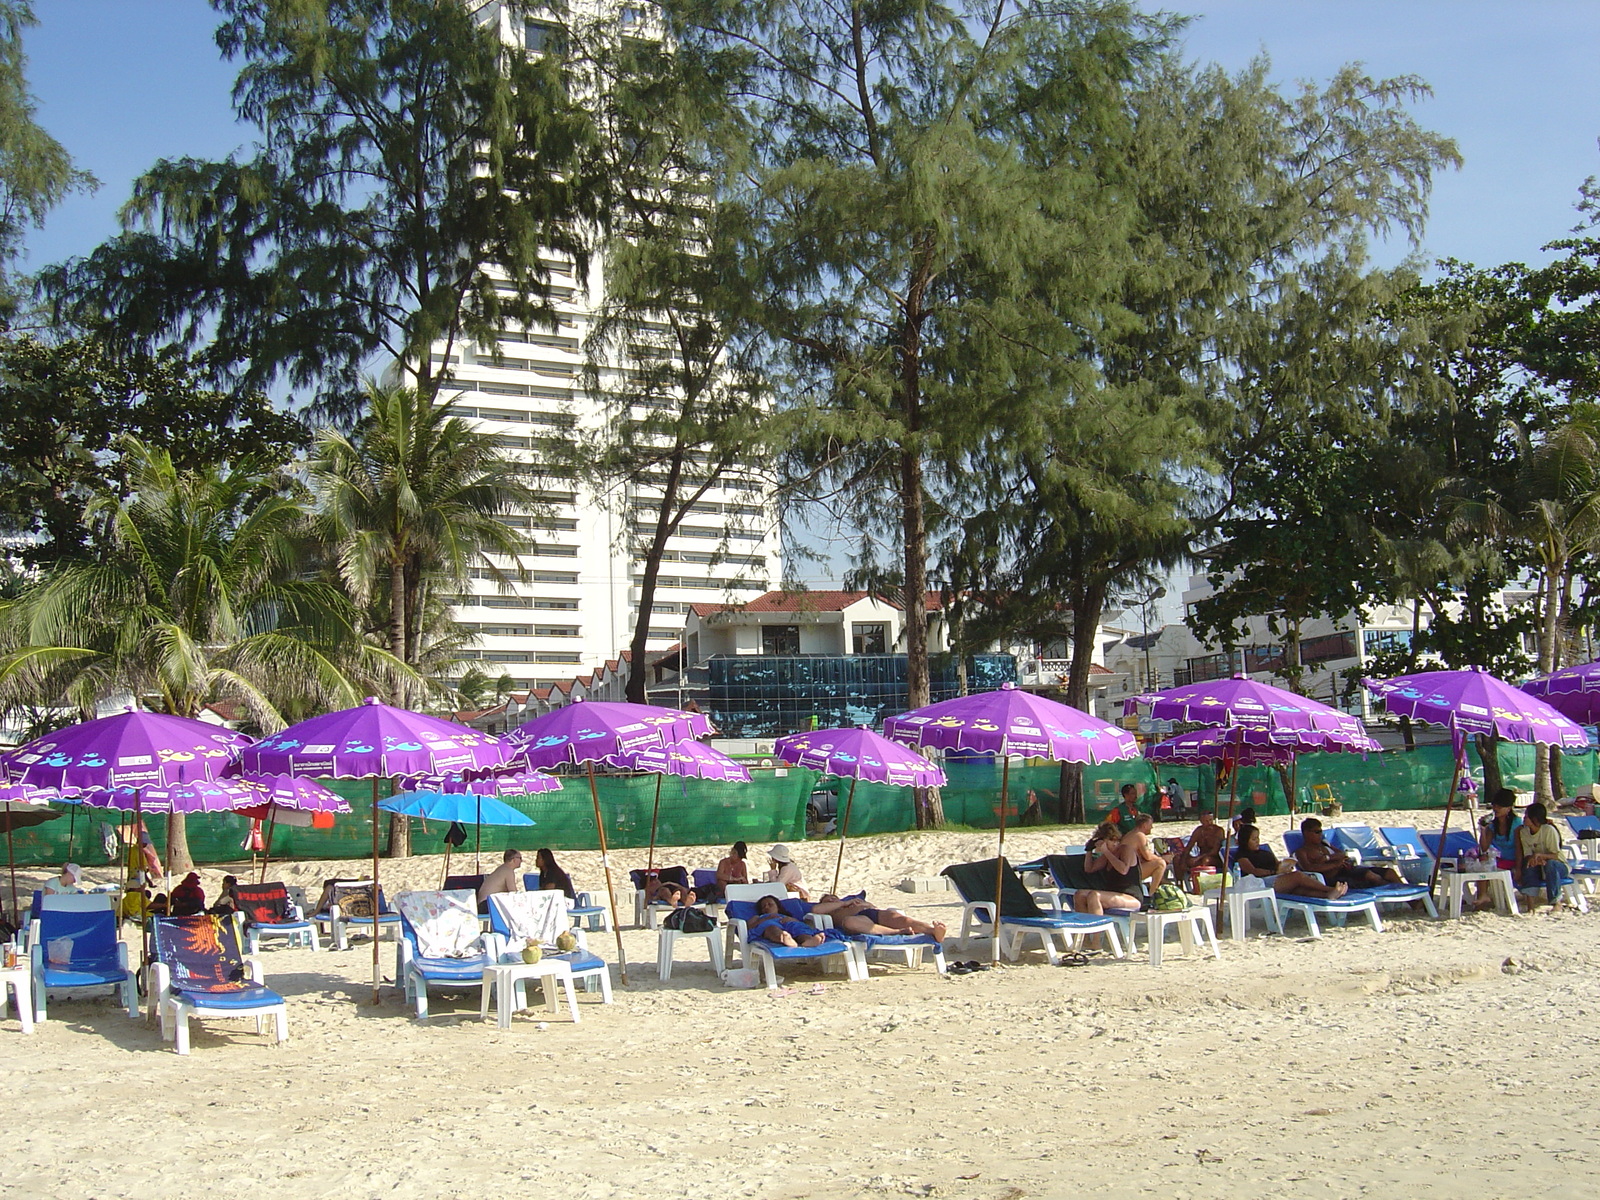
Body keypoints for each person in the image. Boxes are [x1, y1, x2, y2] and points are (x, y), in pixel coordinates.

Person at [1234, 824, 1347, 899]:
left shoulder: (1264, 851)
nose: (1257, 841)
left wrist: (1285, 866)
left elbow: (1277, 864)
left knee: (1299, 890)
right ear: (1245, 840)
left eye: (1258, 838)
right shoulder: (1242, 855)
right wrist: (1274, 872)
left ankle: (1327, 895)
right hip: (1260, 883)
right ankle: (1330, 889)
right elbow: (1253, 871)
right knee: (1298, 876)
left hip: (1276, 878)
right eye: (1254, 839)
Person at [1294, 818, 1403, 888]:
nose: (1320, 834)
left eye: (1321, 831)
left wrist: (1327, 858)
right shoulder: (1301, 851)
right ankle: (1394, 893)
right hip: (1335, 878)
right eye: (1317, 832)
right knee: (1371, 876)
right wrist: (1335, 864)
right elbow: (1310, 869)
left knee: (1390, 872)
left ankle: (1411, 900)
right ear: (1306, 833)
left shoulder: (1325, 844)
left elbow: (1343, 854)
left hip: (1348, 870)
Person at [1072, 822, 1144, 918]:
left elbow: (1123, 870)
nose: (1115, 843)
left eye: (1117, 840)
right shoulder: (1107, 856)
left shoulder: (1125, 849)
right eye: (1111, 840)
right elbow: (1089, 869)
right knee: (1079, 895)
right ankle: (1085, 930)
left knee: (1094, 895)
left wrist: (1106, 851)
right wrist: (1089, 850)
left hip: (1131, 897)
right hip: (1113, 893)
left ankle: (1096, 931)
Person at [811, 894, 947, 941]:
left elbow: (874, 907)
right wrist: (843, 903)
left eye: (835, 897)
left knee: (902, 919)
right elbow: (816, 909)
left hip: (873, 913)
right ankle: (897, 932)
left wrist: (865, 904)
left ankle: (933, 931)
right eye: (829, 900)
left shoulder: (853, 902)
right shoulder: (829, 911)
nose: (833, 900)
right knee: (850, 922)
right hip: (857, 920)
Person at [1516, 802, 1574, 908]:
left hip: (1558, 866)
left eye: (1527, 816)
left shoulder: (1548, 830)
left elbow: (1556, 855)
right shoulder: (1524, 832)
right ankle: (1530, 904)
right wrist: (1535, 859)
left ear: (1535, 818)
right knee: (1529, 864)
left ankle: (1555, 902)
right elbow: (1527, 853)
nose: (1524, 818)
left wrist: (1541, 856)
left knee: (1551, 864)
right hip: (1539, 864)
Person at [1171, 809, 1226, 889]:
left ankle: (1200, 885)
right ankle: (1180, 884)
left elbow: (1214, 851)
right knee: (1177, 859)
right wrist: (1183, 860)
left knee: (1206, 860)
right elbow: (1189, 847)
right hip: (1200, 857)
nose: (1209, 823)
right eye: (1206, 821)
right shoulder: (1199, 831)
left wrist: (1198, 858)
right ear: (1201, 821)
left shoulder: (1218, 831)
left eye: (1210, 820)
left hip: (1214, 859)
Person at [748, 893, 827, 948]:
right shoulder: (758, 917)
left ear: (778, 907)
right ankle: (784, 939)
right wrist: (765, 919)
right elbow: (749, 927)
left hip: (787, 923)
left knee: (799, 928)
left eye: (770, 904)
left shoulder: (785, 916)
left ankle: (808, 941)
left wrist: (793, 920)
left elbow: (800, 923)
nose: (767, 907)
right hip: (770, 925)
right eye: (763, 906)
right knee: (772, 929)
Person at [1121, 814, 1169, 888]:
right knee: (1161, 864)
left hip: (1124, 870)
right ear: (1144, 825)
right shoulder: (1139, 835)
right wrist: (1162, 858)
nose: (1152, 827)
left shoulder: (1130, 834)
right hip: (1130, 872)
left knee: (1157, 863)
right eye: (1150, 825)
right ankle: (1152, 893)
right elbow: (1148, 857)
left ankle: (1159, 885)